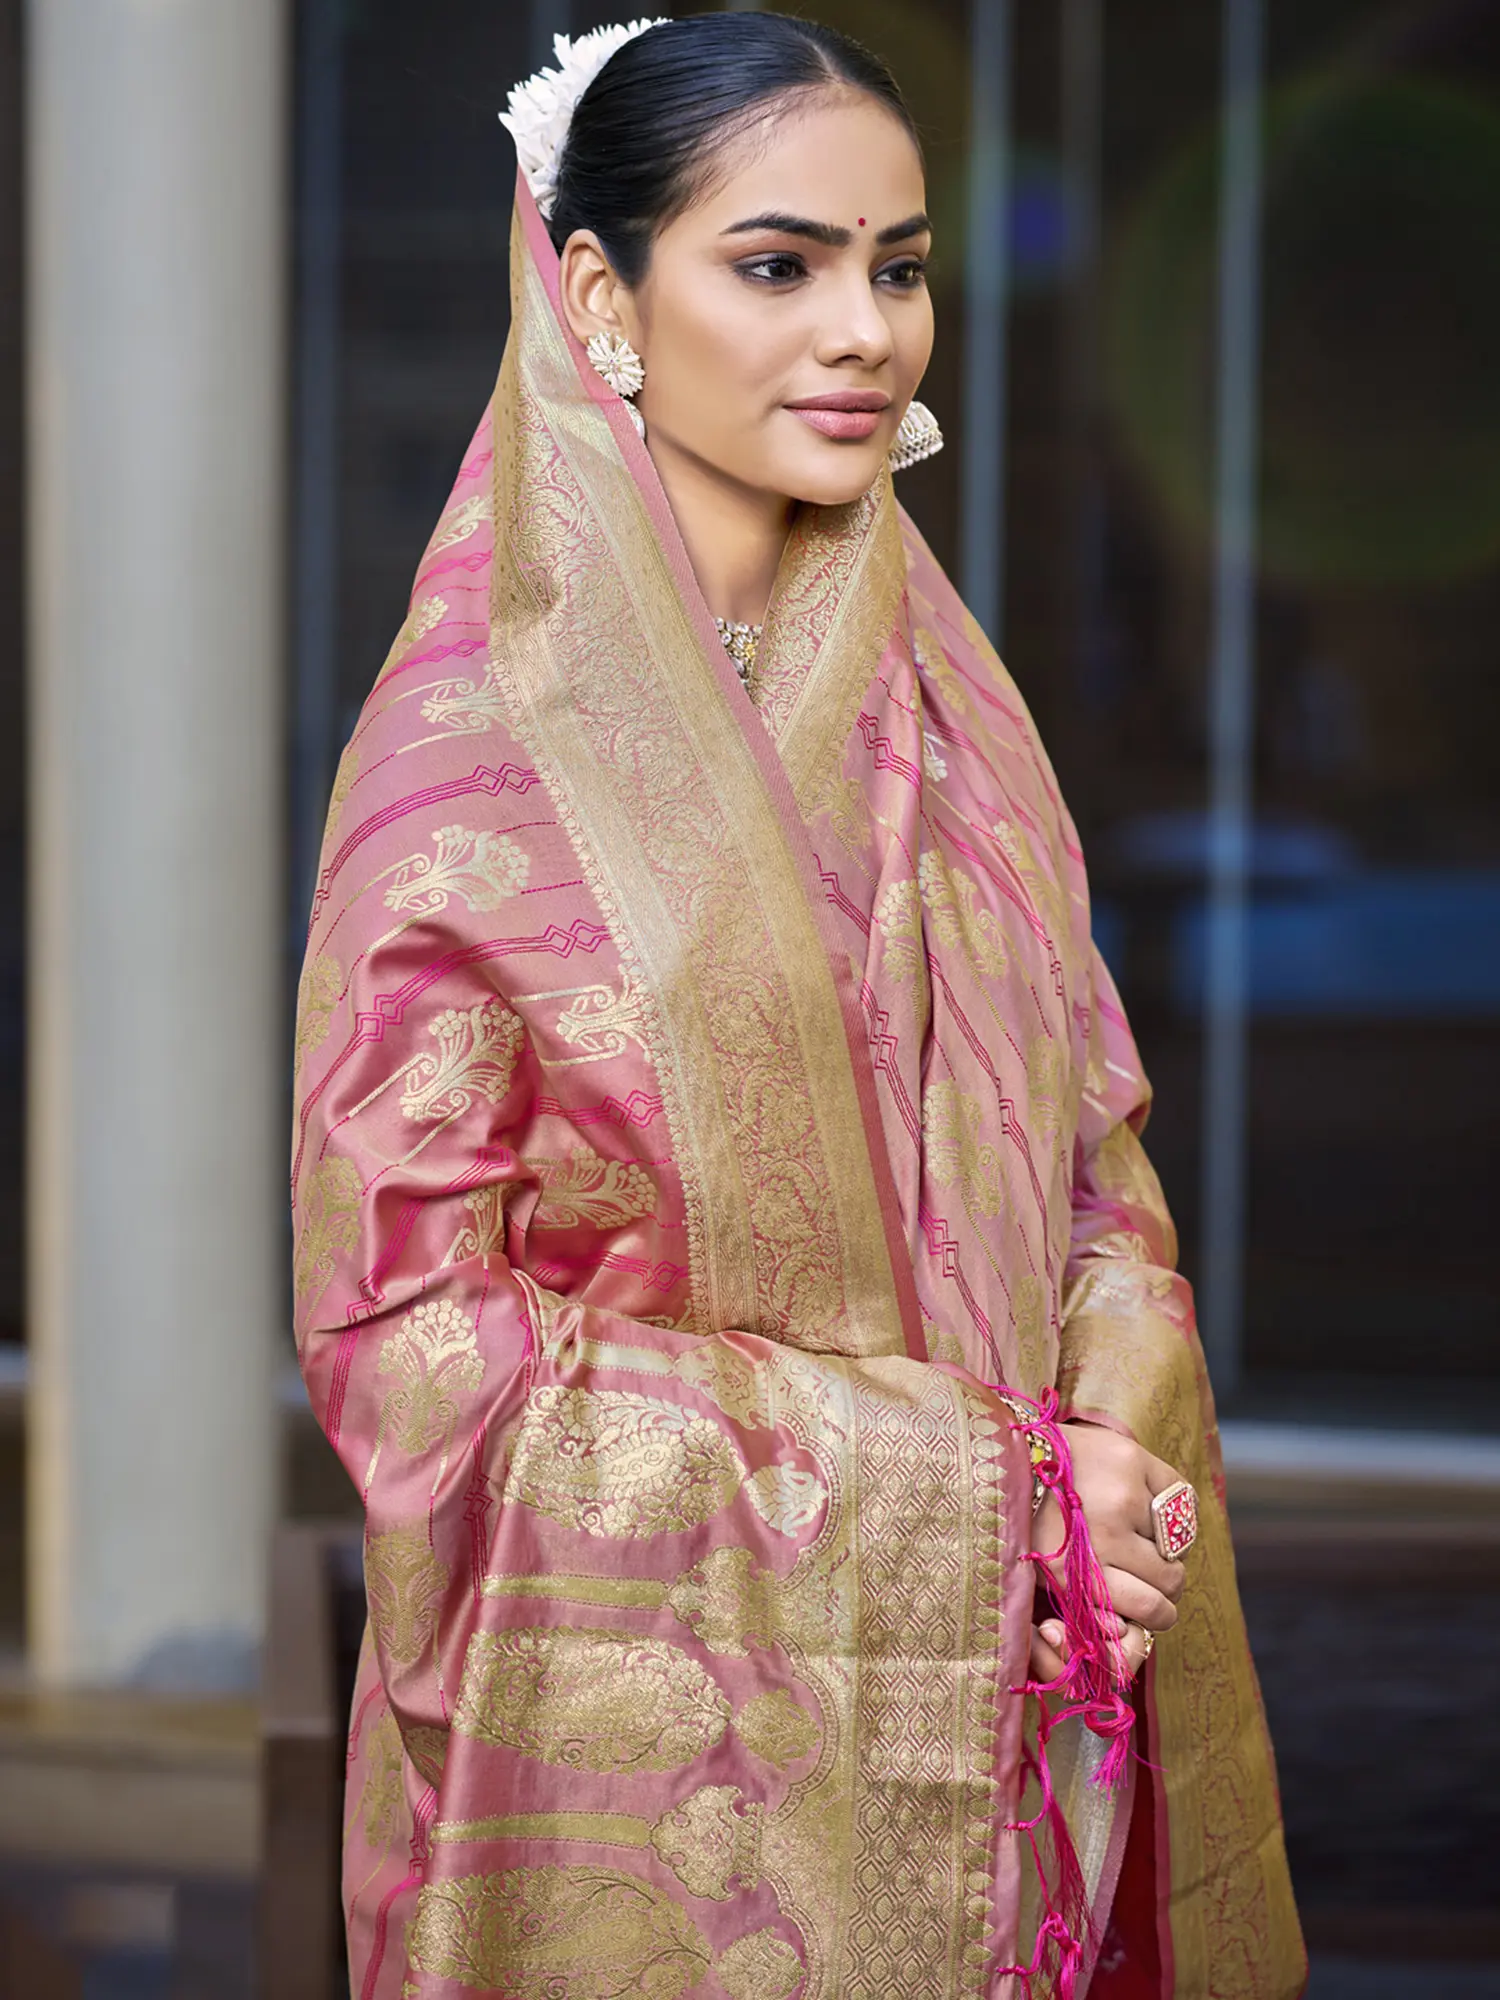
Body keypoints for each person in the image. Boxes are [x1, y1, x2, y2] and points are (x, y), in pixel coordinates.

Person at [291, 15, 1303, 1997]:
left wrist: (1101, 1474)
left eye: (898, 267)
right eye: (779, 264)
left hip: (1026, 1719)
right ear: (601, 297)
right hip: (650, 1784)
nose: (866, 332)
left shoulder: (957, 718)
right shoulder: (466, 774)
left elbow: (1093, 1164)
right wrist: (985, 1497)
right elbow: (413, 1352)